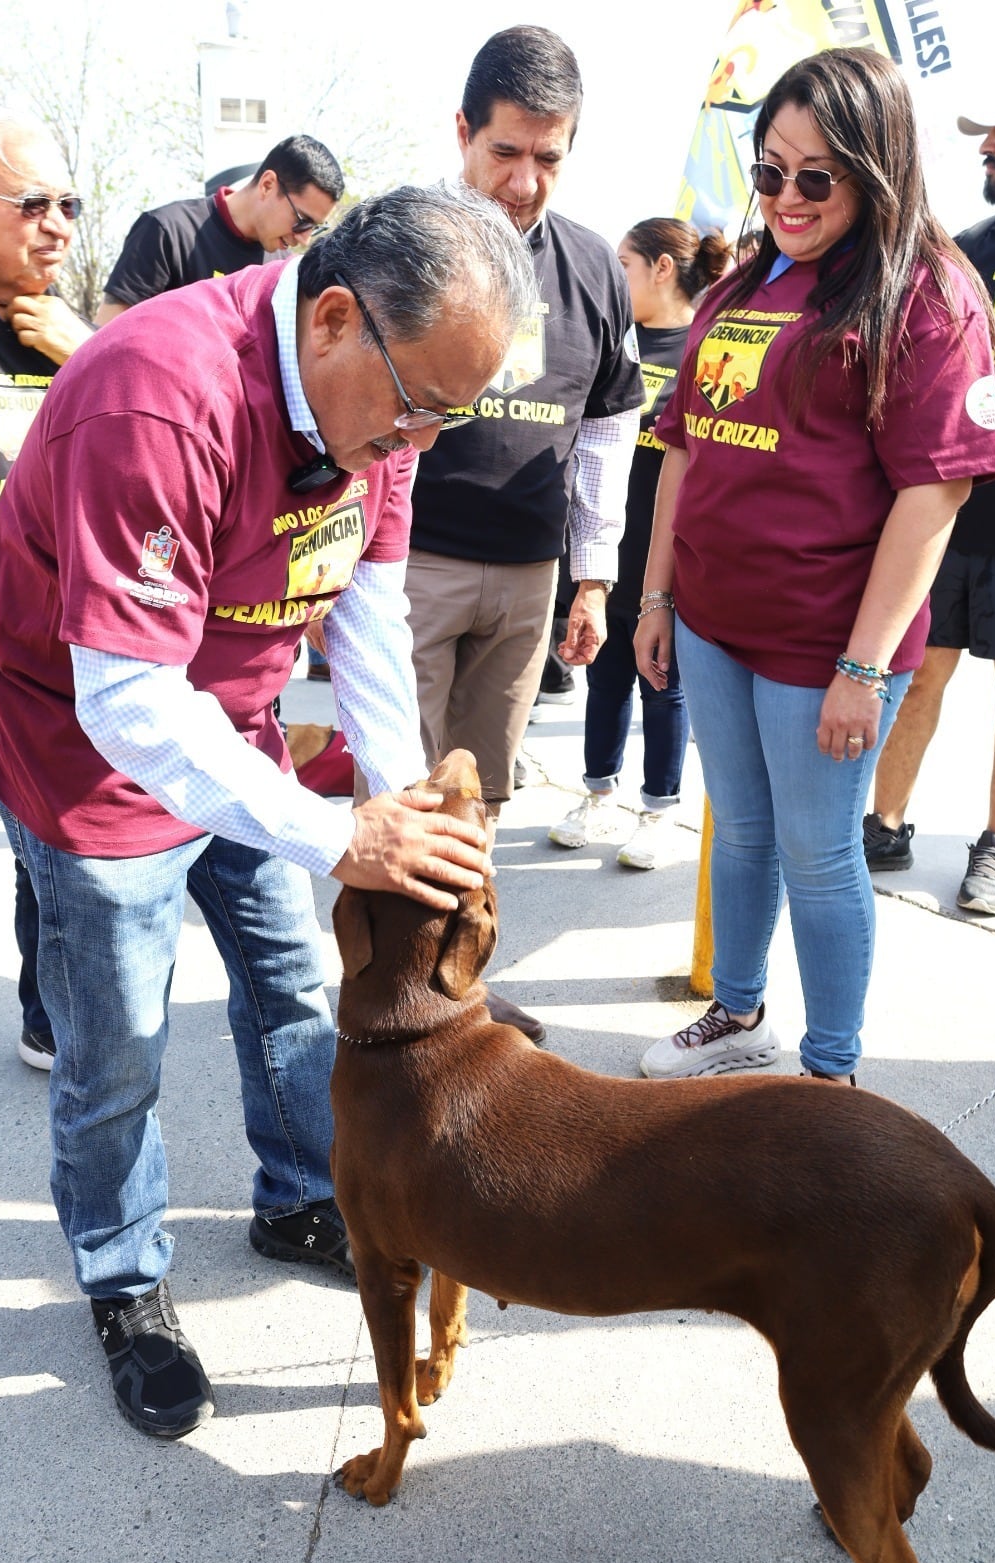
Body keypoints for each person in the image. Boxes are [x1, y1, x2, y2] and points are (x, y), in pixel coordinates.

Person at [0, 183, 536, 1440]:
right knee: (118, 1041)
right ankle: (122, 1272)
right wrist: (337, 832)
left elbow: (370, 606)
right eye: (419, 407)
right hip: (94, 746)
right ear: (332, 318)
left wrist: (393, 801)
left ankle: (296, 1194)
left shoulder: (378, 411)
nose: (423, 443)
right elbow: (128, 699)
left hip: (238, 723)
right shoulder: (157, 396)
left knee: (289, 980)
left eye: (451, 415)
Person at [633, 48, 995, 1085]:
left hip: (826, 642)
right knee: (742, 836)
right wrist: (656, 595)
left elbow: (935, 492)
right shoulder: (746, 281)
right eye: (768, 172)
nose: (786, 198)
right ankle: (739, 1012)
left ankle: (831, 1072)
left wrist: (860, 665)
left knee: (820, 852)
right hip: (711, 617)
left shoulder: (927, 295)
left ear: (876, 167)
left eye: (815, 177)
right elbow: (686, 444)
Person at [405, 26, 645, 1040]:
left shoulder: (593, 266)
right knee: (400, 797)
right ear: (462, 133)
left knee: (484, 799)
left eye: (548, 158)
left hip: (530, 573)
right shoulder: (401, 244)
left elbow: (604, 432)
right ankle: (387, 994)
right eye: (505, 152)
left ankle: (454, 989)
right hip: (405, 565)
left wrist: (591, 579)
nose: (523, 181)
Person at [0, 105, 93, 1072]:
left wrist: (89, 355)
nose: (57, 224)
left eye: (68, 204)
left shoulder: (71, 340)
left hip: (42, 678)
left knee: (55, 875)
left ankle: (48, 1018)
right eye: (31, 202)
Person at [863, 87, 995, 915]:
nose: (985, 145)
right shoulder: (965, 253)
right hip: (949, 514)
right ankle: (885, 823)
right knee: (917, 676)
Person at [549, 218, 730, 868]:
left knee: (663, 686)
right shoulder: (611, 343)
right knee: (604, 679)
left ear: (660, 268)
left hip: (671, 556)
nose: (612, 278)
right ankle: (597, 795)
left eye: (623, 264)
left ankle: (658, 808)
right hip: (608, 551)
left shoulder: (706, 345)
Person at [93, 133, 343, 325]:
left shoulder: (283, 270)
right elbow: (107, 333)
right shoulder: (168, 231)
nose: (304, 238)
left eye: (315, 228)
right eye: (302, 220)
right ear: (267, 185)